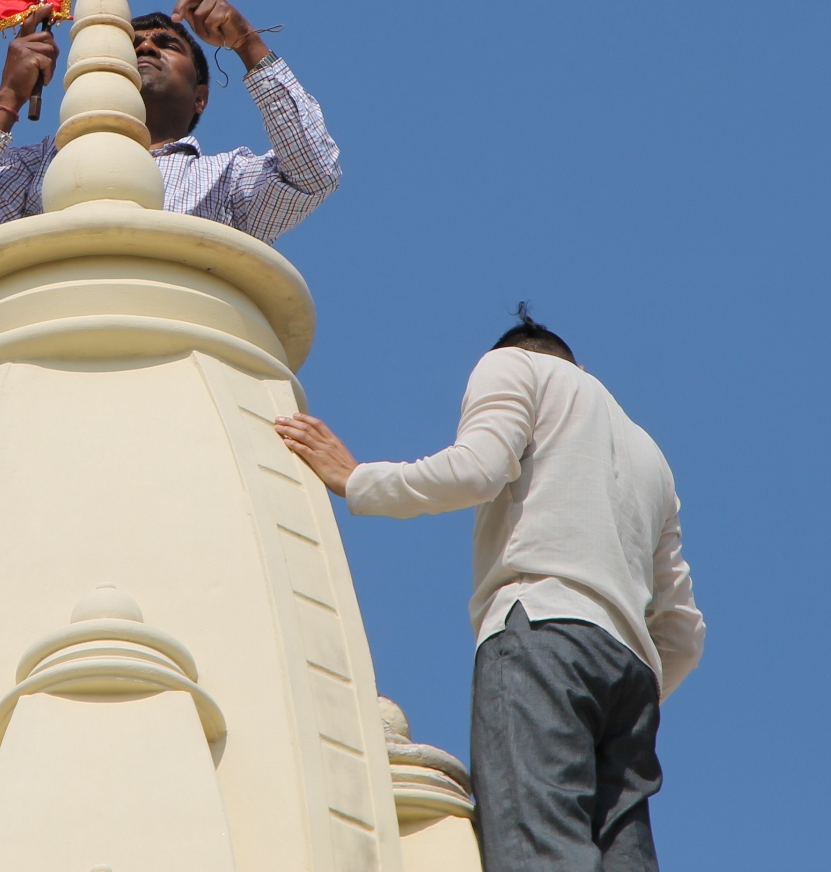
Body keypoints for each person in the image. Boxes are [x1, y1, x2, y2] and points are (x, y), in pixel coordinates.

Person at [274, 307, 704, 872]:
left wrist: (358, 480)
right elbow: (683, 633)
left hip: (542, 633)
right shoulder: (651, 456)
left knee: (539, 847)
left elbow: (479, 468)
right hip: (630, 676)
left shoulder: (512, 366)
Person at [0, 0, 340, 253]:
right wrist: (9, 94)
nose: (145, 50)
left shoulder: (224, 181)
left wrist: (246, 42)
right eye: (130, 44)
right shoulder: (39, 166)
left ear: (200, 98)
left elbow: (314, 174)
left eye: (166, 44)